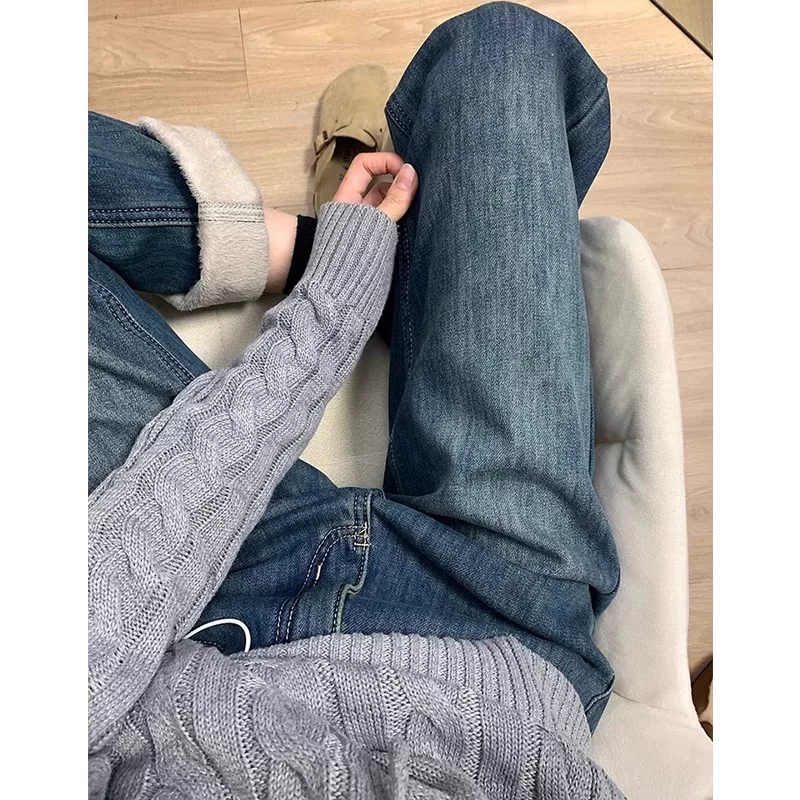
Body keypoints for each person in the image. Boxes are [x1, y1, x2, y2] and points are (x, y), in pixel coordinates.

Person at [88, 3, 623, 797]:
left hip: (196, 618)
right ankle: (389, 269)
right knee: (503, 52)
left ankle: (334, 255)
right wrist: (336, 293)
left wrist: (333, 294)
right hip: (504, 634)